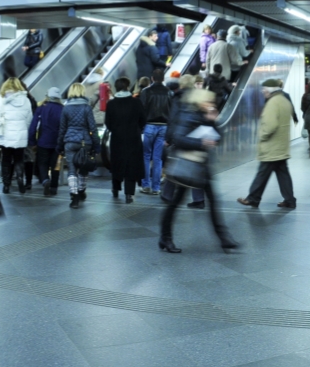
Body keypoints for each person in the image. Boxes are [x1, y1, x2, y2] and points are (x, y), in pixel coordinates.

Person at [159, 88, 237, 253]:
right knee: (176, 202)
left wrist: (212, 120)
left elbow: (217, 137)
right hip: (187, 164)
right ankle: (165, 237)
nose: (210, 105)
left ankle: (224, 238)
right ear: (199, 101)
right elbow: (178, 139)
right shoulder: (188, 114)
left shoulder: (204, 116)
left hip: (201, 164)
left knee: (213, 201)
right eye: (208, 102)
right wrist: (201, 143)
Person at [240, 79, 298, 209]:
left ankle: (253, 199)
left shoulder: (272, 103)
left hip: (272, 146)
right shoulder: (284, 100)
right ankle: (290, 200)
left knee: (262, 173)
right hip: (281, 145)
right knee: (283, 174)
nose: (263, 92)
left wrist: (261, 135)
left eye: (264, 90)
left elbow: (270, 125)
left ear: (270, 90)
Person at [0, 78, 35, 194]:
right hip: (21, 135)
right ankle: (20, 179)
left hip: (6, 135)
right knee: (19, 159)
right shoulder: (26, 100)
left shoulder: (2, 98)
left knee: (6, 160)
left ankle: (6, 185)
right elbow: (29, 119)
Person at [104, 77, 146, 202]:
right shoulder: (136, 102)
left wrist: (116, 130)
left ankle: (115, 189)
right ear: (128, 87)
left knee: (117, 163)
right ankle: (129, 193)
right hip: (133, 138)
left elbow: (108, 123)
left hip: (117, 139)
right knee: (131, 165)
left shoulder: (111, 104)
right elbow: (143, 120)